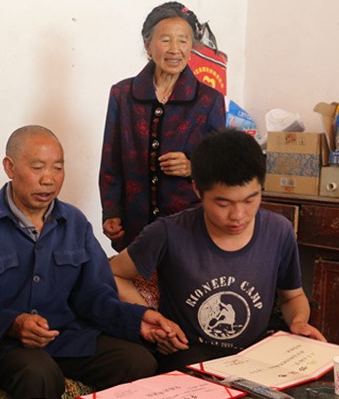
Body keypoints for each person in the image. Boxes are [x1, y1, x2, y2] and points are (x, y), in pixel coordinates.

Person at [0, 126, 185, 399]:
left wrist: (138, 320)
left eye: (58, 168)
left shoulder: (75, 223)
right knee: (39, 372)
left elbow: (95, 296)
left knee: (138, 361)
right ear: (9, 167)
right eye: (37, 167)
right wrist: (13, 324)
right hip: (7, 346)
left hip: (68, 339)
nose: (49, 179)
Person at [110, 129, 325, 373]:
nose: (238, 215)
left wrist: (298, 322)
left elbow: (292, 297)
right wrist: (149, 315)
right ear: (197, 191)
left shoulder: (279, 231)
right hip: (189, 356)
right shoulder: (168, 232)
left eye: (250, 200)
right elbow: (113, 273)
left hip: (255, 356)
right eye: (223, 203)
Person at [100, 1, 226, 252]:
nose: (175, 49)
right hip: (135, 224)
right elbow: (111, 160)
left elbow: (221, 167)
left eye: (183, 40)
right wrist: (111, 211)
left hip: (188, 226)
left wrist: (192, 167)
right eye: (165, 40)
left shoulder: (209, 100)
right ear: (148, 45)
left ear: (192, 47)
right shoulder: (123, 94)